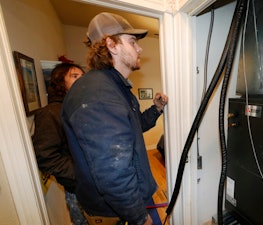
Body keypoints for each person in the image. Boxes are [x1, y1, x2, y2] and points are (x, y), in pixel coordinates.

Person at [61, 12, 168, 225]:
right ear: (112, 45)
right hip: (117, 213)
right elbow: (113, 173)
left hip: (131, 201)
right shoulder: (98, 95)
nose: (139, 48)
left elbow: (133, 128)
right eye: (132, 41)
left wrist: (156, 109)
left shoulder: (114, 87)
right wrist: (139, 218)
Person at [32, 62, 87, 225]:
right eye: (74, 76)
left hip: (96, 187)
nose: (81, 80)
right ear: (60, 82)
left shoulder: (82, 108)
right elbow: (46, 157)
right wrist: (80, 174)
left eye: (83, 77)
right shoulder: (50, 113)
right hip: (78, 190)